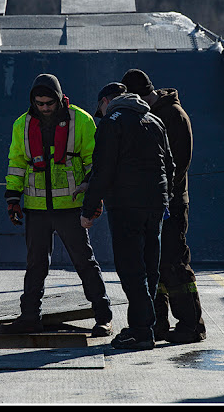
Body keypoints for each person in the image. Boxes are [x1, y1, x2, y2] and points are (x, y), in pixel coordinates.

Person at [1, 74, 113, 337]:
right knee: (35, 265)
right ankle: (29, 317)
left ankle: (103, 316)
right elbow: (17, 162)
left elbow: (93, 163)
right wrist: (12, 199)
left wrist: (94, 199)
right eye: (39, 104)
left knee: (84, 262)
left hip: (71, 207)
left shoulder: (82, 120)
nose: (45, 108)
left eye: (49, 103)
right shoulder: (22, 125)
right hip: (37, 208)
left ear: (59, 98)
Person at [82, 82, 175, 350]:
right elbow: (168, 164)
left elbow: (104, 167)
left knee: (131, 269)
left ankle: (141, 330)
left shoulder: (112, 122)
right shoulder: (153, 120)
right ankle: (147, 325)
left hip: (125, 206)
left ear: (105, 101)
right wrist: (164, 199)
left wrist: (88, 211)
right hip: (155, 205)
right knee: (150, 268)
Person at [121, 69, 206, 344]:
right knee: (153, 265)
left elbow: (178, 164)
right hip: (151, 204)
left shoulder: (172, 116)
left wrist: (162, 196)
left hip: (170, 204)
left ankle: (191, 325)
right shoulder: (150, 114)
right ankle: (157, 323)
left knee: (173, 264)